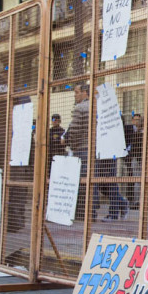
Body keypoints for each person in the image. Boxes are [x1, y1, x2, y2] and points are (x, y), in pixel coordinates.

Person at [63, 83, 91, 220]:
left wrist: (72, 145)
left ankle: (81, 213)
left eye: (76, 92)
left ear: (85, 92)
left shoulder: (80, 108)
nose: (75, 95)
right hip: (95, 149)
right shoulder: (98, 107)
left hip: (82, 148)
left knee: (80, 181)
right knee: (91, 182)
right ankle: (91, 212)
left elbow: (74, 130)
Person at [123, 113, 144, 207]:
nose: (136, 121)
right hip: (130, 156)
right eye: (135, 119)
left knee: (138, 180)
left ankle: (139, 201)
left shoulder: (143, 132)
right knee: (131, 179)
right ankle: (131, 199)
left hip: (139, 158)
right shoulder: (129, 129)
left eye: (138, 120)